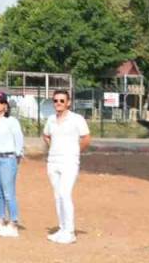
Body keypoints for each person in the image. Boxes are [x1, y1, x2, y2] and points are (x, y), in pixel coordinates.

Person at [43, 89, 90, 245]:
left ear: (68, 102)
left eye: (62, 101)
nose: (58, 103)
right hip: (53, 161)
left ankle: (70, 232)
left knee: (64, 193)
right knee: (57, 196)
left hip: (69, 161)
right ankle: (62, 228)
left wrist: (75, 151)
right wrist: (52, 148)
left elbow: (86, 138)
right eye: (55, 100)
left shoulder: (77, 119)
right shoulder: (50, 119)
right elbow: (46, 135)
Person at [0, 91, 24, 238]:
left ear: (6, 106)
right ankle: (0, 220)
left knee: (8, 193)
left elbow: (18, 139)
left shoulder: (11, 121)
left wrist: (18, 155)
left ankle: (13, 223)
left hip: (7, 158)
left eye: (0, 102)